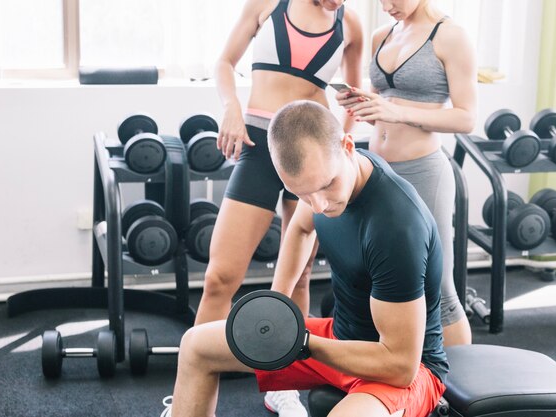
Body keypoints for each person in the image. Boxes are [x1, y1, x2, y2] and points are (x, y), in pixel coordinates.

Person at [165, 100, 447, 417]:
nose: (318, 206)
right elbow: (300, 229)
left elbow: (400, 365)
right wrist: (276, 303)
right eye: (301, 193)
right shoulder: (322, 181)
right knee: (195, 346)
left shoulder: (395, 227)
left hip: (402, 369)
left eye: (327, 186)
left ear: (348, 146)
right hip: (339, 338)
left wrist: (302, 343)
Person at [196, 0, 363, 415]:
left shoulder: (351, 24)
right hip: (256, 142)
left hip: (311, 151)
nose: (339, 2)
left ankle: (282, 382)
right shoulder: (267, 4)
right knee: (220, 276)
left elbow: (354, 100)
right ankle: (195, 391)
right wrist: (230, 107)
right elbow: (224, 62)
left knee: (300, 277)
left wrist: (338, 151)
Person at [336, 0, 476, 346]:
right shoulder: (382, 34)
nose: (386, 6)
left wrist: (398, 113)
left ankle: (461, 392)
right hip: (379, 171)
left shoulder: (451, 36)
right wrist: (365, 104)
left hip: (423, 170)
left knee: (439, 289)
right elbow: (387, 99)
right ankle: (398, 371)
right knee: (381, 277)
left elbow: (466, 118)